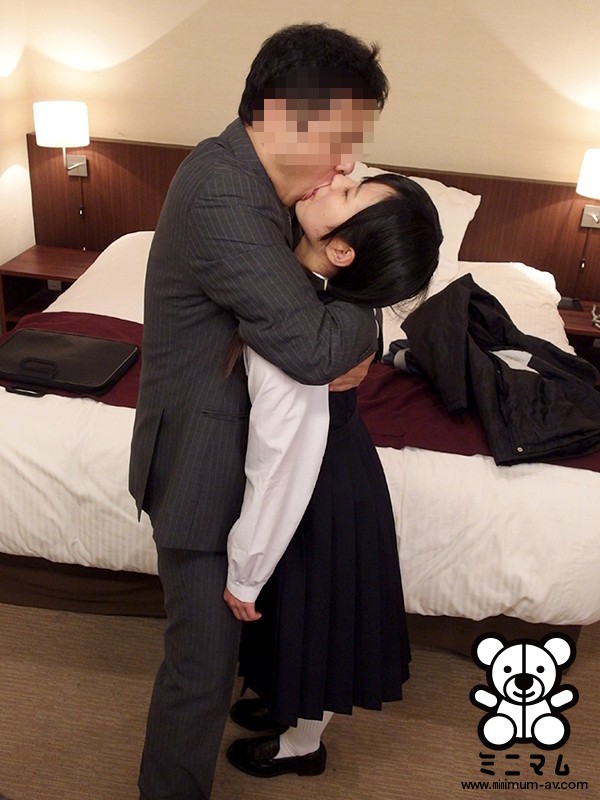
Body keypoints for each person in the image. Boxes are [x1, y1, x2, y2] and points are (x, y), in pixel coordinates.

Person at [129, 22, 390, 800]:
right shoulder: (224, 193)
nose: (346, 164)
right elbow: (314, 348)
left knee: (235, 643)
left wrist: (346, 329)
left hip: (246, 451)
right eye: (341, 140)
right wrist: (371, 297)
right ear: (280, 114)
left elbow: (318, 331)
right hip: (201, 463)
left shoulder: (278, 191)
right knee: (198, 670)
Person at [222, 172, 443, 777]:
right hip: (340, 467)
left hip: (318, 487)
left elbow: (278, 462)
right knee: (295, 611)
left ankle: (303, 746)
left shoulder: (301, 334)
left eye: (347, 193)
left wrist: (244, 570)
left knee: (315, 621)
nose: (336, 178)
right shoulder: (341, 284)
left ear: (343, 251)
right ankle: (282, 703)